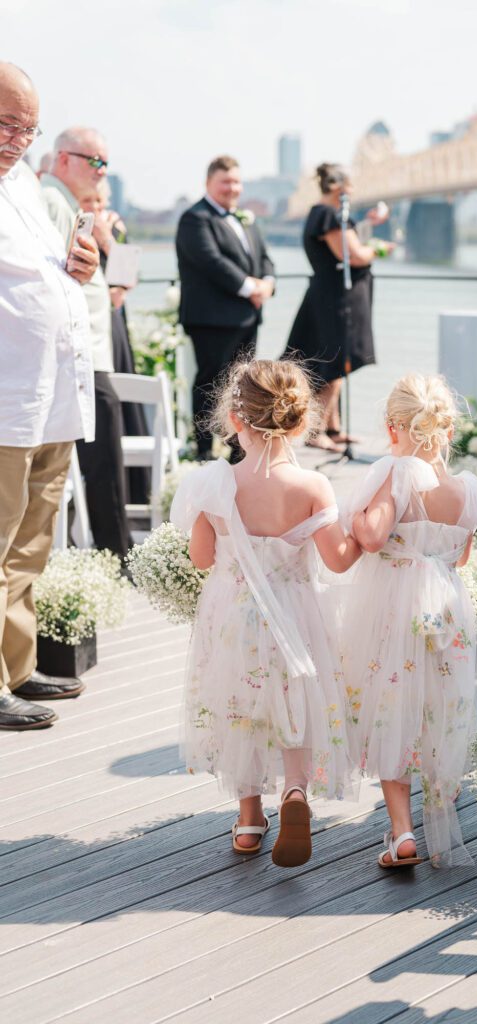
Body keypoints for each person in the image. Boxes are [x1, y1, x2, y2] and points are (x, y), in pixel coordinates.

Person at [170, 359, 360, 866]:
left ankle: (250, 816)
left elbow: (202, 558)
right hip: (295, 612)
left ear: (235, 419)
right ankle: (295, 791)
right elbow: (338, 560)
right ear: (301, 422)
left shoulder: (215, 483)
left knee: (242, 706)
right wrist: (363, 537)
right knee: (292, 702)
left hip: (233, 615)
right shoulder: (313, 487)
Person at [343, 374, 477, 868]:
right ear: (448, 430)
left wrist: (355, 517)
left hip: (395, 611)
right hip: (448, 611)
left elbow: (376, 536)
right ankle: (439, 810)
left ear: (393, 428)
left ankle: (402, 833)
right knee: (439, 707)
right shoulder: (468, 490)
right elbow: (460, 557)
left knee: (392, 707)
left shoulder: (397, 473)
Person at [0, 63, 99, 730]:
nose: (16, 140)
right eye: (7, 124)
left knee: (34, 538)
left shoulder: (24, 183)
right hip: (5, 396)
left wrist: (83, 263)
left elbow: (53, 259)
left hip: (51, 393)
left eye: (26, 129)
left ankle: (16, 666)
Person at [42, 128, 133, 563]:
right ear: (64, 159)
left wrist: (109, 240)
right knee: (96, 459)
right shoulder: (55, 206)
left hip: (99, 346)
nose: (101, 173)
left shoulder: (83, 218)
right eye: (95, 161)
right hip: (81, 355)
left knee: (98, 456)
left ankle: (109, 547)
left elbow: (121, 283)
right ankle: (114, 552)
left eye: (105, 165)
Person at [284, 163, 393, 451]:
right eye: (350, 185)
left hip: (335, 296)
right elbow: (353, 255)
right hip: (335, 299)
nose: (354, 191)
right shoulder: (327, 215)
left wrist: (368, 226)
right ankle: (315, 431)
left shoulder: (331, 215)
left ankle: (333, 428)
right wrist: (379, 249)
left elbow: (352, 243)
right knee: (330, 365)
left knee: (339, 363)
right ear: (338, 188)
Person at [175, 156, 276, 459]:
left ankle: (239, 451)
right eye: (225, 182)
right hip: (211, 320)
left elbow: (264, 257)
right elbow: (210, 262)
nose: (232, 188)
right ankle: (204, 450)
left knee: (243, 385)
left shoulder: (246, 219)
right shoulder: (195, 218)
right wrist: (251, 288)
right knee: (210, 383)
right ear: (208, 184)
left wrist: (267, 283)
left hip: (247, 318)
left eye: (236, 182)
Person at [80, 179, 150, 506]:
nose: (94, 206)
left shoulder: (115, 229)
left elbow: (128, 281)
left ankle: (133, 490)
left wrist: (108, 240)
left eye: (99, 200)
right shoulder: (72, 226)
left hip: (112, 324)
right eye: (88, 199)